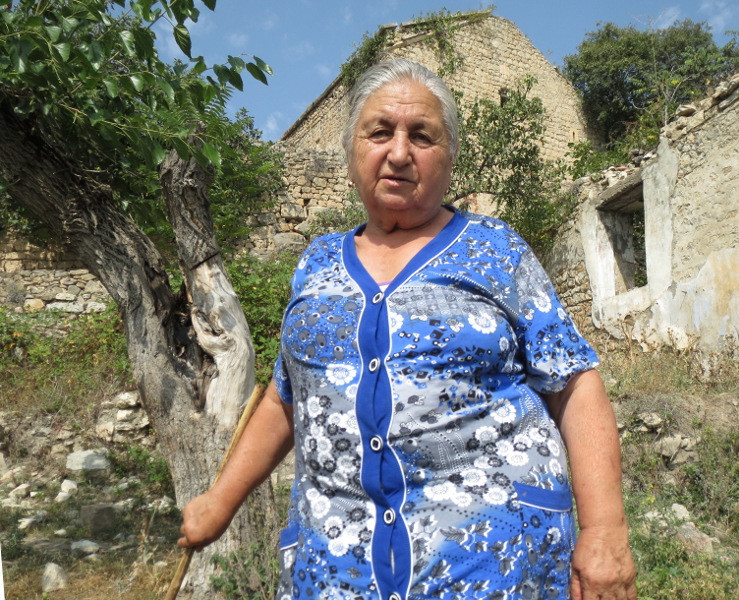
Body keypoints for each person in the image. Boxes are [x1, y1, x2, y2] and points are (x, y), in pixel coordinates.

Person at [179, 58, 637, 600]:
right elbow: (288, 396)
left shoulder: (496, 250)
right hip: (337, 574)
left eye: (422, 135)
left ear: (450, 156)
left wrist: (605, 531)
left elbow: (574, 383)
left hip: (493, 568)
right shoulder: (317, 264)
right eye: (380, 132)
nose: (399, 153)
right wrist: (220, 501)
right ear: (351, 149)